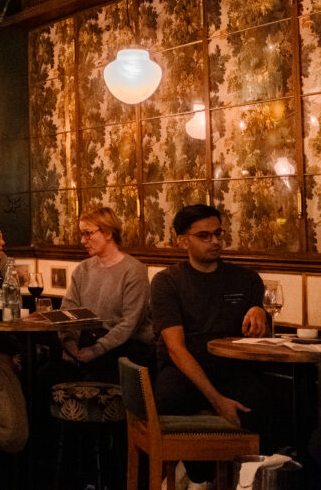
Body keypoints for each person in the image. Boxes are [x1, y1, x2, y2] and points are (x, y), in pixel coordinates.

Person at [151, 204, 271, 488]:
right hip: (183, 367)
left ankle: (249, 482)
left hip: (231, 368)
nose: (215, 241)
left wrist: (260, 312)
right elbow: (176, 349)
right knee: (171, 399)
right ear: (183, 241)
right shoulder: (167, 282)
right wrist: (217, 401)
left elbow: (260, 334)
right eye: (204, 236)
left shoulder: (247, 279)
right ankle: (197, 473)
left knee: (268, 405)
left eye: (218, 233)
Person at [59, 207, 153, 382]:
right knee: (44, 377)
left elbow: (130, 324)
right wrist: (70, 344)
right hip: (86, 343)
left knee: (95, 375)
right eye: (82, 234)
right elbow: (68, 311)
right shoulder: (83, 269)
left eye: (88, 234)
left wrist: (96, 350)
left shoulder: (134, 271)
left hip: (124, 349)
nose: (82, 240)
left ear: (108, 233)